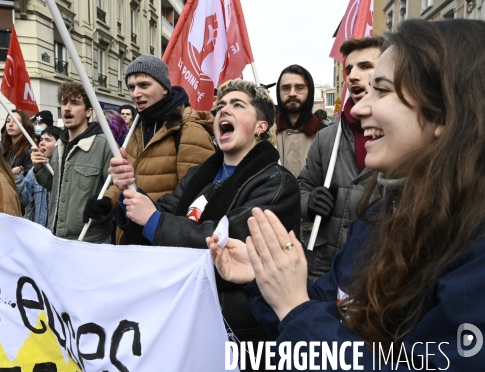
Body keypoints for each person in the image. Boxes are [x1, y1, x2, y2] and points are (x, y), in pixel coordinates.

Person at [208, 19, 485, 370]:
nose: (357, 108)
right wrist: (268, 279)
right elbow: (329, 305)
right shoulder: (380, 215)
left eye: (381, 89)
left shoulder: (474, 249)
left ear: (445, 109)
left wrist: (295, 307)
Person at [114, 79, 300, 369]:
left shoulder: (276, 183)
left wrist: (154, 220)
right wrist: (131, 194)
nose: (224, 111)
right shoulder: (198, 176)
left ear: (262, 126)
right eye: (221, 106)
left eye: (237, 106)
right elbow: (164, 211)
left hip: (239, 334)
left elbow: (227, 240)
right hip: (187, 319)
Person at [84, 54, 215, 244]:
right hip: (132, 236)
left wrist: (152, 217)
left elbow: (195, 195)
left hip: (165, 241)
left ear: (164, 88)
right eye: (131, 87)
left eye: (144, 85)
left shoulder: (189, 130)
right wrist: (107, 202)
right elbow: (128, 181)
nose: (135, 93)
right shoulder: (136, 130)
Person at [298, 36, 383, 281]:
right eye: (349, 69)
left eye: (365, 66)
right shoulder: (326, 139)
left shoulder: (404, 137)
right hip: (322, 269)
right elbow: (303, 187)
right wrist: (310, 203)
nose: (353, 75)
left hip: (377, 273)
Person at [32, 81, 113, 242]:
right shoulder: (60, 144)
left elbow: (117, 189)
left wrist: (104, 205)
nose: (67, 108)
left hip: (89, 241)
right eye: (64, 103)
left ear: (89, 111)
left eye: (75, 103)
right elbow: (56, 185)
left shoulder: (104, 145)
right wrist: (39, 168)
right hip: (56, 238)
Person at [274, 64, 320, 178]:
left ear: (310, 91)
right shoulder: (265, 136)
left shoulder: (327, 136)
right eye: (286, 88)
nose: (292, 93)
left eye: (299, 88)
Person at [16, 125, 61, 227]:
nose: (42, 143)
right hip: (39, 230)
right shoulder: (33, 171)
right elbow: (26, 198)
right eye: (41, 139)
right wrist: (18, 177)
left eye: (48, 140)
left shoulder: (63, 169)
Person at [1, 109, 34, 176]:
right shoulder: (4, 149)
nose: (10, 124)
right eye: (8, 121)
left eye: (16, 121)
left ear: (25, 125)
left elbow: (30, 181)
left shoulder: (30, 151)